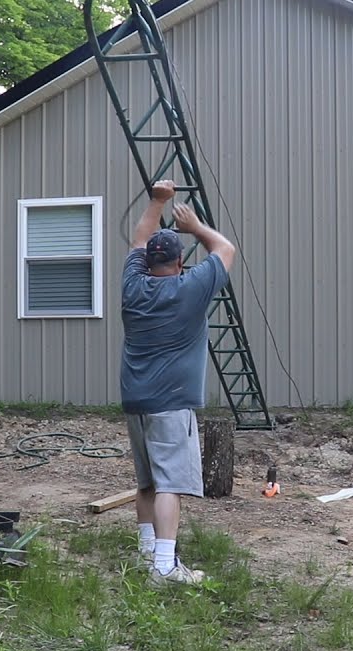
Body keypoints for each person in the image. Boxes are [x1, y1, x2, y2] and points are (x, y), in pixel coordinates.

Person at [120, 179, 236, 586]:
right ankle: (165, 568)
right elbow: (225, 250)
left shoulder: (133, 284)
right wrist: (196, 225)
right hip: (171, 403)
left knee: (147, 481)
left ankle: (147, 553)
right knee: (170, 483)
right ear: (180, 261)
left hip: (136, 400)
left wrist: (157, 201)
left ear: (150, 261)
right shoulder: (190, 289)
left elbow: (138, 238)